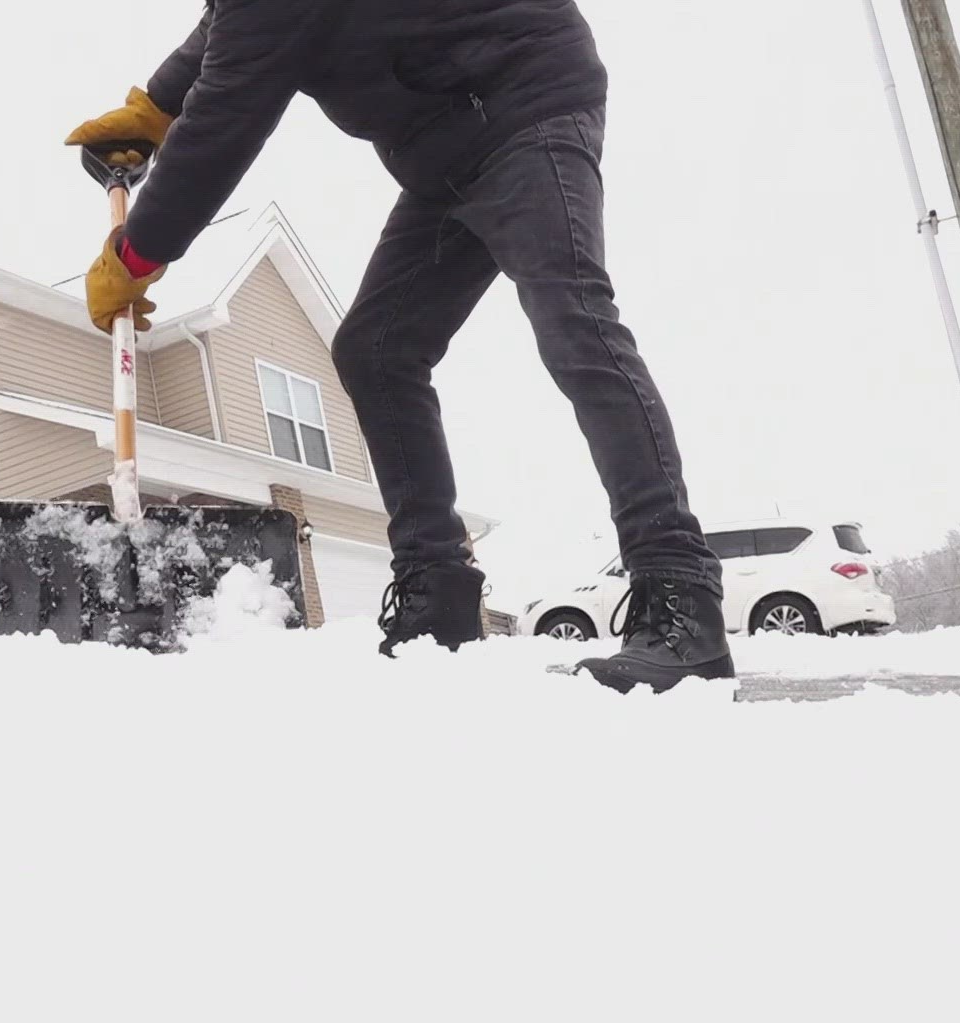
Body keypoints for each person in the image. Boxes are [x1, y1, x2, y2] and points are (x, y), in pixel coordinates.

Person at [64, 0, 732, 693]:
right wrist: (154, 106)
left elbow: (228, 115)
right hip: (446, 151)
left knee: (572, 314)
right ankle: (437, 596)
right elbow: (225, 33)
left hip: (525, 99)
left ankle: (679, 593)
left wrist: (138, 255)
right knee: (376, 348)